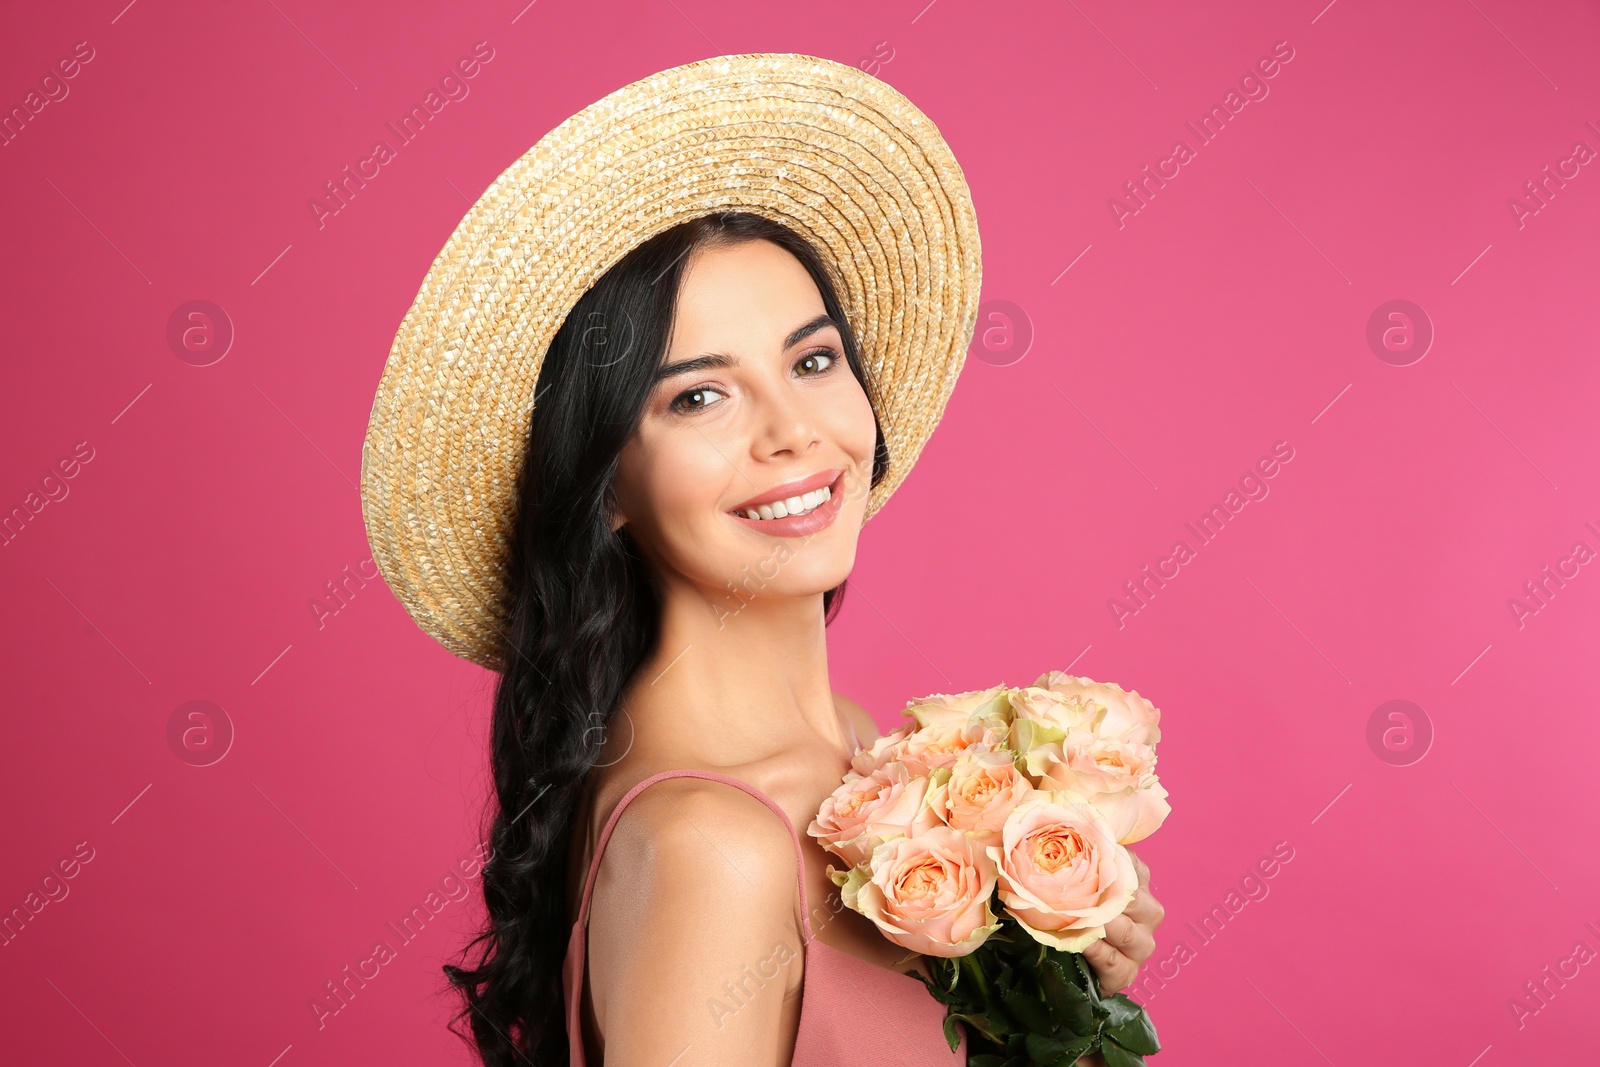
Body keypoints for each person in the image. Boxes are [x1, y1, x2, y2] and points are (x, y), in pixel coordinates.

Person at [360, 56, 1162, 1067]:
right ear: (606, 484)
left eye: (812, 359)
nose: (792, 431)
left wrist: (1060, 1005)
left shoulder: (866, 764)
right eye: (698, 395)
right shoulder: (712, 846)